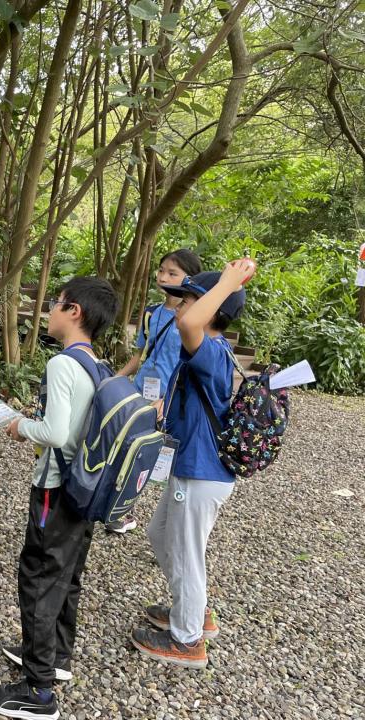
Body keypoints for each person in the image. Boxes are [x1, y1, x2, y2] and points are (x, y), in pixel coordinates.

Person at [0, 277, 118, 720]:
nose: (50, 312)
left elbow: (56, 433)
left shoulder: (62, 364)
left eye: (56, 304)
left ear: (73, 311)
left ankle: (38, 692)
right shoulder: (99, 365)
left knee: (38, 579)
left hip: (56, 489)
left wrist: (21, 426)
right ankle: (55, 658)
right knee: (67, 575)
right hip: (85, 488)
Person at [130, 261, 252, 669]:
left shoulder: (210, 348)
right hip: (192, 467)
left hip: (201, 472)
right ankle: (192, 608)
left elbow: (191, 324)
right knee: (161, 535)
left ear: (209, 309)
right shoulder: (207, 352)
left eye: (189, 299)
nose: (181, 307)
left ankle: (187, 640)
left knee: (185, 555)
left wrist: (229, 282)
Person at [109, 248, 201, 534]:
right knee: (130, 450)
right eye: (162, 270)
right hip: (141, 394)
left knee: (166, 459)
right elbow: (140, 356)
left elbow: (191, 367)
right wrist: (115, 380)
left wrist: (167, 398)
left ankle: (172, 526)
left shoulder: (193, 319)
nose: (163, 277)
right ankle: (124, 511)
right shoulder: (151, 313)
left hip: (171, 400)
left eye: (172, 273)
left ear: (190, 278)